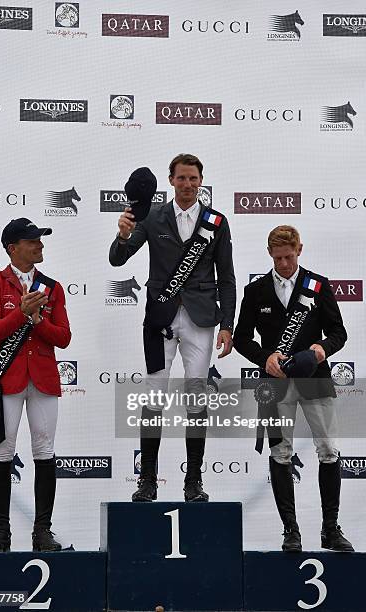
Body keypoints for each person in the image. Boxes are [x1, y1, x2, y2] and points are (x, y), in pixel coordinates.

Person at [109, 154, 236, 502]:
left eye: (194, 178)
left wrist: (228, 325)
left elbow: (226, 277)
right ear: (171, 181)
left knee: (196, 396)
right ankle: (147, 480)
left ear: (201, 181)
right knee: (153, 396)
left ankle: (193, 481)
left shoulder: (216, 221)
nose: (188, 185)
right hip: (159, 319)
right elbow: (118, 258)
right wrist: (122, 236)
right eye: (182, 178)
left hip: (200, 319)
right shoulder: (152, 215)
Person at [233, 225, 353, 552]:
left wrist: (321, 350)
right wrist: (264, 357)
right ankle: (291, 530)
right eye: (278, 258)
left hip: (315, 380)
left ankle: (331, 528)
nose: (284, 263)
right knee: (280, 452)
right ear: (269, 254)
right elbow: (243, 338)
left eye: (289, 256)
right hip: (275, 384)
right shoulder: (256, 291)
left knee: (328, 449)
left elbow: (339, 333)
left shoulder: (318, 285)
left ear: (300, 249)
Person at [0, 218, 71, 552]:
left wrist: (36, 320)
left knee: (44, 450)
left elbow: (64, 337)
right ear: (13, 248)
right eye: (33, 241)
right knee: (3, 451)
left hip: (43, 378)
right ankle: (0, 531)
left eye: (41, 241)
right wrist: (21, 313)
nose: (40, 245)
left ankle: (42, 531)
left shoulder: (52, 286)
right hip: (7, 379)